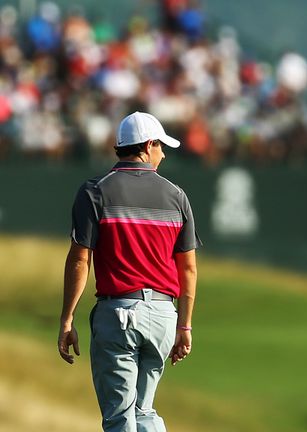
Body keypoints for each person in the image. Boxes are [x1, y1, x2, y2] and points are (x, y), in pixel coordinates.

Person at [57, 111, 202, 431]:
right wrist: (184, 325)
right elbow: (188, 269)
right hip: (164, 317)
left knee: (119, 417)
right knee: (143, 410)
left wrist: (67, 319)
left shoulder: (95, 191)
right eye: (161, 146)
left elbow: (80, 260)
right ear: (148, 146)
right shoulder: (177, 196)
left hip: (119, 315)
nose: (163, 154)